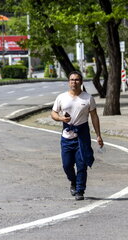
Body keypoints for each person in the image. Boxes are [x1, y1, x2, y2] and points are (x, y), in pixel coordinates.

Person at [51, 71, 103, 201]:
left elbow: (94, 117)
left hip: (82, 136)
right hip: (66, 136)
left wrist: (98, 135)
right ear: (69, 82)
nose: (74, 82)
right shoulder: (61, 97)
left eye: (77, 79)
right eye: (72, 79)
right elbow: (53, 113)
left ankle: (80, 190)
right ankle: (73, 181)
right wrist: (61, 118)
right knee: (67, 165)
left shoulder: (88, 98)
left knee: (81, 164)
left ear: (81, 82)